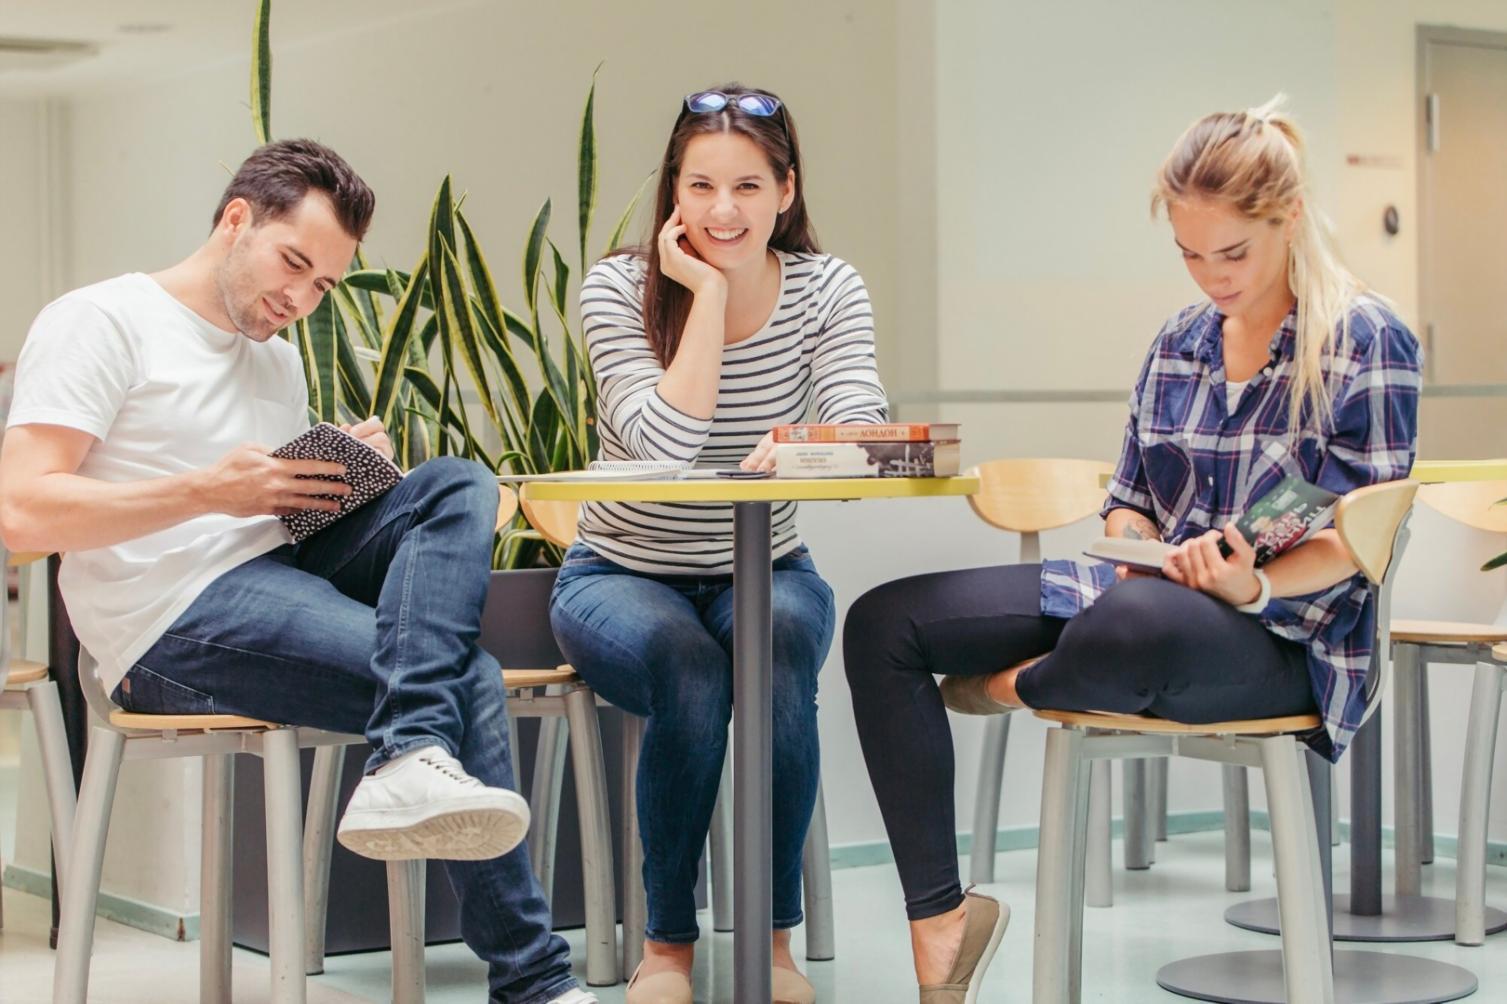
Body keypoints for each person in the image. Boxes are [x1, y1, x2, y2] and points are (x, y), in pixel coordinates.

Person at [841, 98, 1421, 1003]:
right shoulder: (1178, 343)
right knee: (882, 622)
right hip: (1140, 603)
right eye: (1189, 254)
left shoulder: (1364, 339)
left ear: (1289, 217)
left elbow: (1356, 534)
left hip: (1281, 640)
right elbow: (1129, 502)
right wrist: (1133, 542)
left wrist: (1250, 587)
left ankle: (1017, 686)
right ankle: (940, 927)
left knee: (1141, 622)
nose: (1211, 277)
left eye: (1232, 253)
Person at [0, 139, 594, 1004]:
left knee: (457, 484)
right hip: (165, 620)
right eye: (292, 263)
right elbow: (21, 511)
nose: (300, 299)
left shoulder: (276, 356)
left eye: (324, 286)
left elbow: (269, 513)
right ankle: (531, 977)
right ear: (236, 220)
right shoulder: (101, 320)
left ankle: (410, 751)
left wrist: (338, 473)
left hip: (274, 569)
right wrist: (208, 490)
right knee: (463, 679)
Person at [549, 84, 889, 1004]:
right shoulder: (617, 288)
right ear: (673, 191)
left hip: (767, 566)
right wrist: (703, 293)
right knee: (690, 667)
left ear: (786, 191)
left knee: (774, 646)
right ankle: (667, 948)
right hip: (618, 574)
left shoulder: (826, 288)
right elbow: (663, 442)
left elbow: (860, 421)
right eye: (699, 186)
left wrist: (810, 444)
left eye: (746, 187)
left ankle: (772, 946)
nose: (722, 211)